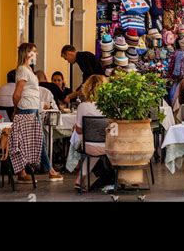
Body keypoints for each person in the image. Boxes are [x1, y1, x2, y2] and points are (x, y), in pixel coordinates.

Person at [9, 42, 63, 182]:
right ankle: (38, 171)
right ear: (27, 53)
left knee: (37, 140)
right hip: (26, 109)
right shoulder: (22, 70)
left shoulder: (28, 70)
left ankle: (41, 170)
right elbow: (17, 94)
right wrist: (16, 109)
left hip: (32, 109)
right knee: (25, 141)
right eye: (34, 51)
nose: (36, 54)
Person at [73, 75, 110, 189]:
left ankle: (80, 179)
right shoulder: (108, 107)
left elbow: (79, 131)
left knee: (92, 150)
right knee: (101, 145)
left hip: (88, 146)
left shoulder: (82, 106)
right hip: (108, 147)